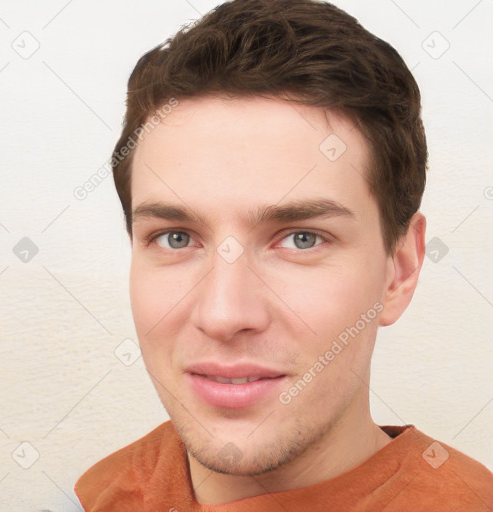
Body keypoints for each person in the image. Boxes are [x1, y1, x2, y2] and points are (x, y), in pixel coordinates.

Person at [74, 0, 493, 510]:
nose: (225, 314)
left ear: (399, 271)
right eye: (176, 237)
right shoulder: (91, 498)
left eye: (301, 239)